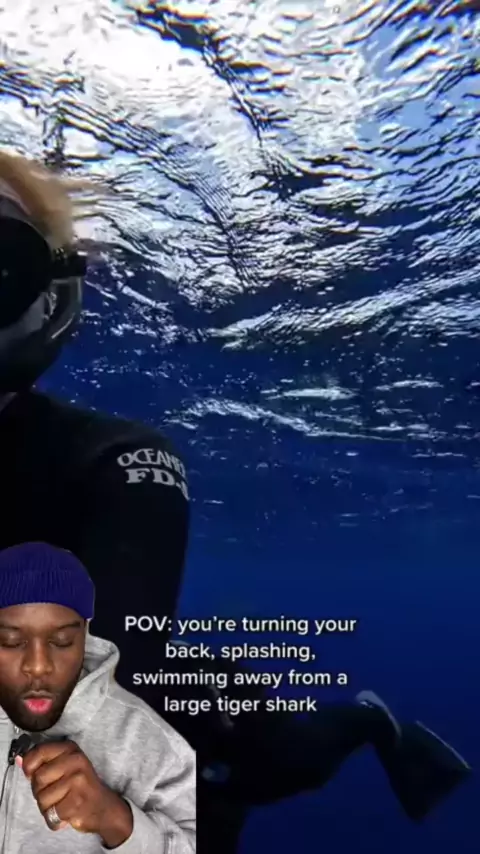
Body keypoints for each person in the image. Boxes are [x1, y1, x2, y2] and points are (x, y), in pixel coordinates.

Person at [0, 150, 472, 853]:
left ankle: (368, 721)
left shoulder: (116, 458)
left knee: (285, 762)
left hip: (180, 710)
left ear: (49, 296)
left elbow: (108, 685)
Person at [0, 541, 196, 853]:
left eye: (62, 641)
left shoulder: (159, 748)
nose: (38, 666)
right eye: (10, 641)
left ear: (85, 635)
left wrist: (116, 821)